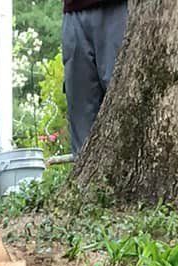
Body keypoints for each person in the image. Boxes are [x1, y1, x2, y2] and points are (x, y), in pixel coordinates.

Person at [62, 0, 128, 159]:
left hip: (116, 8)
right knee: (80, 108)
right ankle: (84, 178)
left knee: (121, 98)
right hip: (73, 11)